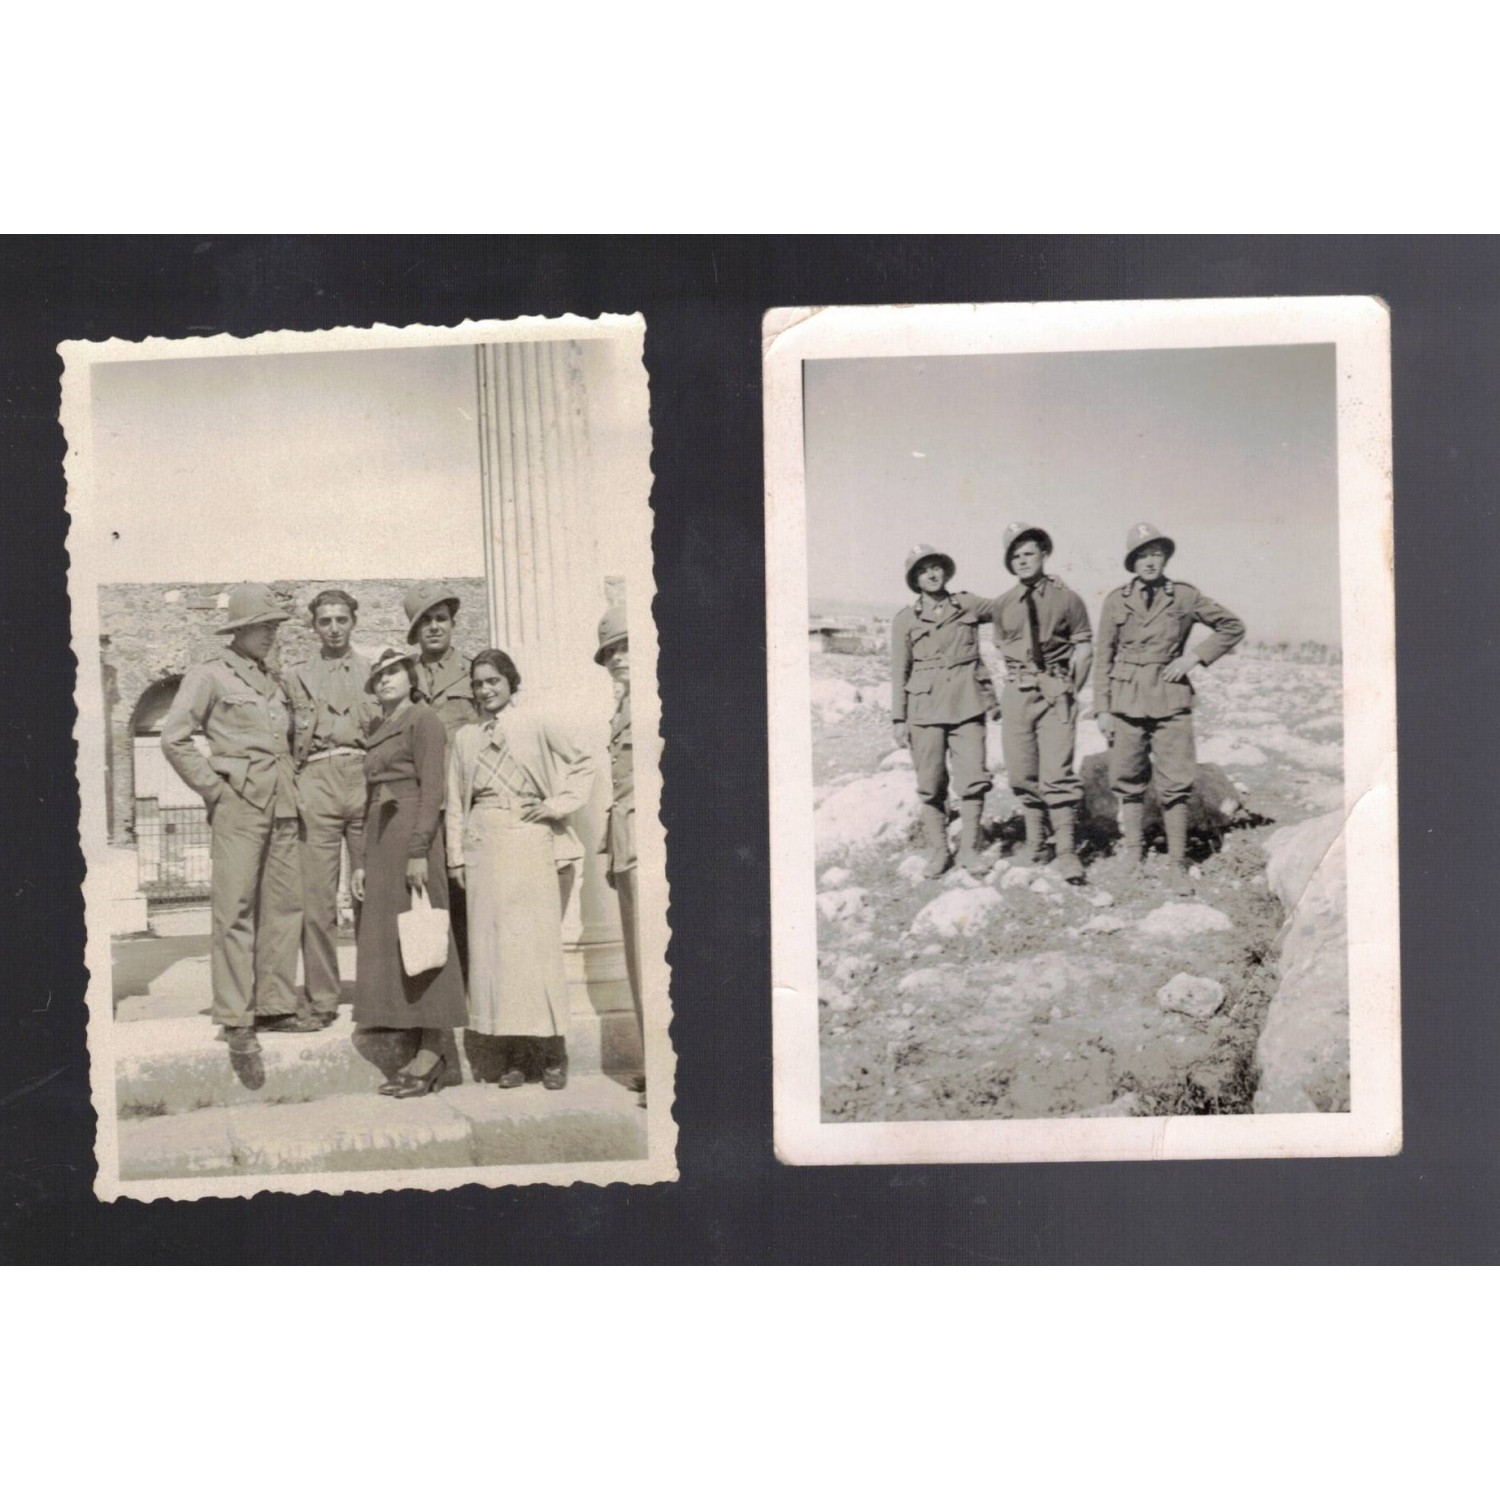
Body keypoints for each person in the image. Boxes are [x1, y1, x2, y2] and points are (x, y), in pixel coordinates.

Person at [160, 583, 311, 1073]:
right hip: (239, 803)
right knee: (235, 909)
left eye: (273, 626)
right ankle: (236, 1016)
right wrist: (214, 789)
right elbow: (175, 738)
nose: (271, 634)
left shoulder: (276, 679)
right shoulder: (209, 675)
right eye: (262, 626)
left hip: (283, 801)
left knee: (284, 906)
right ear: (240, 629)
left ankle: (273, 1004)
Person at [446, 650, 597, 1090]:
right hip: (484, 845)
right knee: (496, 955)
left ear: (511, 682)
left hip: (531, 840)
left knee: (535, 950)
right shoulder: (466, 738)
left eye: (493, 681)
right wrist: (456, 855)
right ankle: (514, 1058)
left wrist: (555, 806)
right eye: (478, 683)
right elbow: (456, 802)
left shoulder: (534, 722)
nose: (486, 689)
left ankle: (552, 1056)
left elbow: (585, 759)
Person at [1095, 522, 1246, 897]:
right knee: (1127, 779)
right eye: (1142, 555)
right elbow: (1103, 657)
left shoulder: (1184, 596)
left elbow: (1231, 626)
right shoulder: (1116, 600)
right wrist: (1102, 708)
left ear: (1165, 557)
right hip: (1126, 699)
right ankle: (1133, 856)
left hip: (1170, 697)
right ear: (1132, 562)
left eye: (1156, 554)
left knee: (1175, 783)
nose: (1150, 561)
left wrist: (1194, 658)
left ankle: (1177, 864)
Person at [350, 645, 467, 1096]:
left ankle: (435, 1052)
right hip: (382, 840)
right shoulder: (381, 727)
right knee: (397, 941)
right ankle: (414, 1036)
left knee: (425, 935)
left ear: (410, 676)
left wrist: (420, 850)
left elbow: (433, 786)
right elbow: (368, 796)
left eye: (395, 671)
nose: (386, 679)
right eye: (379, 675)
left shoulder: (424, 720)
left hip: (412, 834)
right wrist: (361, 861)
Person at [286, 589, 375, 1028]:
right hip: (316, 780)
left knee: (370, 894)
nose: (335, 628)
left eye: (342, 619)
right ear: (313, 625)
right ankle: (323, 999)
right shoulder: (295, 676)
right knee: (316, 899)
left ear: (354, 622)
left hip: (364, 778)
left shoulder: (375, 671)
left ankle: (376, 998)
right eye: (326, 621)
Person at [990, 523, 1094, 881]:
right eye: (1015, 556)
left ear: (1044, 555)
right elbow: (1002, 647)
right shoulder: (1003, 604)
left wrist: (1070, 690)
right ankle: (1036, 844)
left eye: (1028, 553)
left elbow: (1084, 648)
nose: (1022, 561)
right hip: (1018, 693)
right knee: (1021, 772)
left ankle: (1065, 851)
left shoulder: (1068, 599)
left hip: (1056, 693)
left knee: (1057, 773)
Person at [890, 544, 999, 877]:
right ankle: (939, 851)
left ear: (946, 571)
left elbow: (1008, 610)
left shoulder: (966, 604)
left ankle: (968, 850)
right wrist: (899, 718)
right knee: (930, 782)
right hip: (924, 710)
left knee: (973, 779)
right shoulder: (905, 620)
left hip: (967, 704)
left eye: (936, 567)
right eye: (923, 571)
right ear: (915, 579)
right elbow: (899, 670)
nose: (932, 574)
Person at [403, 581, 477, 974]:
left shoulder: (473, 672)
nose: (434, 627)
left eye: (441, 619)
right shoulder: (403, 675)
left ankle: (468, 987)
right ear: (415, 632)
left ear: (452, 623)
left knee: (465, 899)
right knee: (425, 897)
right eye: (425, 622)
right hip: (419, 805)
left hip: (461, 803)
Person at [594, 604, 645, 1097]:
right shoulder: (623, 708)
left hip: (650, 842)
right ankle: (658, 1061)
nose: (618, 658)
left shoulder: (654, 702)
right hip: (627, 840)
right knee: (638, 955)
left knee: (656, 955)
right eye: (611, 651)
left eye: (627, 646)